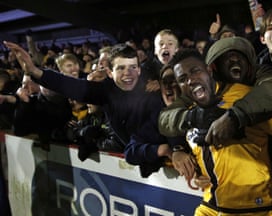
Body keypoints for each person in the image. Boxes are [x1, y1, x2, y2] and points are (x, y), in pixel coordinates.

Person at [168, 48, 272, 215]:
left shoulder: (246, 97)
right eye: (183, 78)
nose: (190, 80)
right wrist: (183, 157)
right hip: (211, 207)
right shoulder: (187, 113)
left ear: (209, 70)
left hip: (258, 208)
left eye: (195, 71)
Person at [4, 41, 171, 178]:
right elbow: (71, 86)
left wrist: (169, 150)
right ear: (110, 73)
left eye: (133, 67)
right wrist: (34, 70)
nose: (128, 73)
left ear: (140, 69)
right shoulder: (106, 91)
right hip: (140, 162)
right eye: (121, 68)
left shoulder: (154, 93)